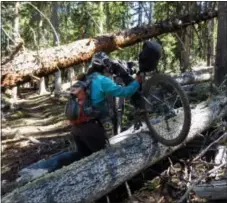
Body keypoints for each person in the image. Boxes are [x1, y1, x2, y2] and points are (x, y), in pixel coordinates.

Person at [69, 52, 142, 160]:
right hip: (92, 129)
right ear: (104, 65)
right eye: (107, 63)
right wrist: (137, 82)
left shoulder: (84, 78)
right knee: (105, 159)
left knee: (85, 161)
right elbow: (124, 92)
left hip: (76, 129)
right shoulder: (102, 80)